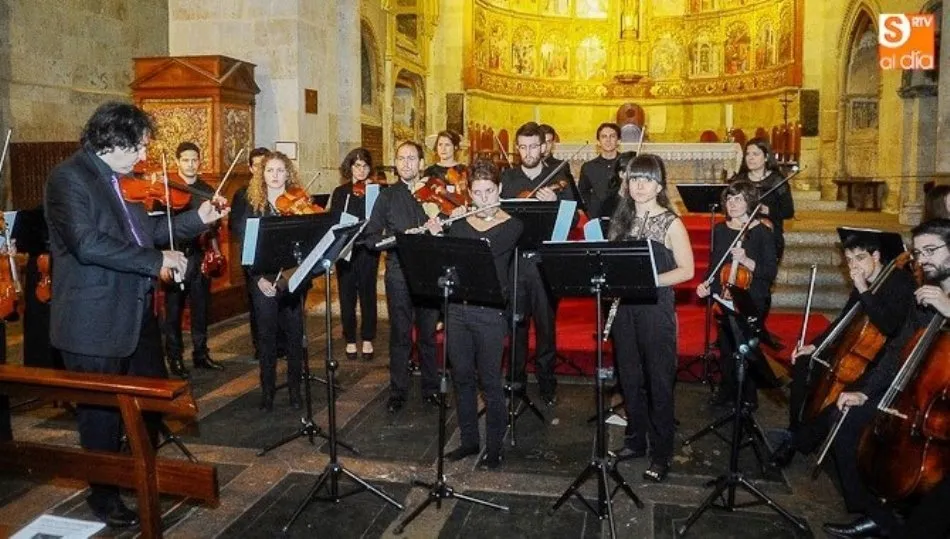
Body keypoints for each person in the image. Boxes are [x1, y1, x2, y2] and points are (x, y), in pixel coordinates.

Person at [44, 101, 228, 528]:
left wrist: (195, 221)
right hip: (92, 322)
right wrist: (155, 261)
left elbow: (144, 234)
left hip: (135, 315)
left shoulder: (122, 180)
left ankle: (136, 469)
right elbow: (87, 244)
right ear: (115, 141)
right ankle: (104, 497)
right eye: (140, 146)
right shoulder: (69, 179)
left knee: (153, 402)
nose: (144, 156)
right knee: (101, 418)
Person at [817, 219, 950, 538]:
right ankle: (878, 516)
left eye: (931, 250)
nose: (924, 259)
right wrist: (865, 391)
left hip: (940, 409)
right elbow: (897, 351)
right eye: (919, 253)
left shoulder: (938, 298)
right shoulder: (924, 295)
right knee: (845, 422)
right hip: (918, 397)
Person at [769, 234, 915, 468]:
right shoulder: (864, 281)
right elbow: (843, 320)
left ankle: (798, 442)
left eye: (859, 258)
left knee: (844, 392)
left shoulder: (901, 283)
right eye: (848, 260)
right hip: (855, 349)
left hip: (883, 360)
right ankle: (794, 428)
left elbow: (890, 326)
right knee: (804, 362)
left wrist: (863, 290)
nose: (854, 266)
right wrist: (815, 345)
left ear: (876, 256)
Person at [606, 153, 694, 482]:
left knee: (658, 382)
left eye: (647, 179)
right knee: (629, 379)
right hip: (626, 309)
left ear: (659, 185)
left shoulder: (671, 222)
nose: (639, 185)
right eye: (634, 179)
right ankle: (634, 441)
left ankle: (661, 453)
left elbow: (687, 271)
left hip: (657, 309)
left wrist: (646, 278)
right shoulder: (621, 220)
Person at [435, 159, 522, 470]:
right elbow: (447, 261)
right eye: (477, 193)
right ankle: (470, 440)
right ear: (468, 193)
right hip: (458, 309)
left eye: (489, 192)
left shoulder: (512, 226)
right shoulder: (458, 223)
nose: (483, 199)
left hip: (490, 313)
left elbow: (485, 248)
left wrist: (458, 224)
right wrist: (438, 231)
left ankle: (494, 447)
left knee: (490, 382)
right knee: (461, 378)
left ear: (499, 191)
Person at [364, 141, 442, 414]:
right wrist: (396, 239)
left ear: (422, 163)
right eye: (401, 158)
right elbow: (371, 238)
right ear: (395, 163)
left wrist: (439, 229)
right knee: (399, 335)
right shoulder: (386, 197)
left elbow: (452, 233)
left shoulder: (434, 194)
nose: (407, 163)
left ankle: (431, 388)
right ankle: (398, 391)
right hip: (398, 272)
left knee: (429, 336)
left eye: (412, 158)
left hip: (429, 272)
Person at [500, 121, 575, 406]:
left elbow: (569, 223)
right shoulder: (507, 178)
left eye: (534, 146)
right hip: (516, 260)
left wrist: (556, 201)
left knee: (545, 326)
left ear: (543, 147)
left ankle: (547, 382)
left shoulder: (559, 178)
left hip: (545, 262)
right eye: (523, 146)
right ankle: (515, 381)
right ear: (517, 148)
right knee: (516, 324)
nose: (528, 152)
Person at [235, 151, 311, 412]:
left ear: (287, 173)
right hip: (262, 278)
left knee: (294, 337)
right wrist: (257, 279)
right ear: (262, 175)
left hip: (290, 277)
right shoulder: (252, 205)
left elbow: (306, 244)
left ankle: (295, 391)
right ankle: (267, 391)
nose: (276, 176)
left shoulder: (298, 202)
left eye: (280, 170)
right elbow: (246, 246)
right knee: (266, 339)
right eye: (270, 171)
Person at [697, 181, 778, 408]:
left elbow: (769, 272)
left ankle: (748, 396)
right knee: (726, 348)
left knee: (747, 349)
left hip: (752, 299)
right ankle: (727, 391)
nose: (732, 204)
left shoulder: (762, 232)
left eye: (739, 199)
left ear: (749, 202)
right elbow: (715, 265)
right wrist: (707, 286)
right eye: (729, 199)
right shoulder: (721, 230)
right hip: (725, 297)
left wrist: (746, 261)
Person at [162, 142, 223, 379]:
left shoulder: (206, 190)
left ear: (200, 161)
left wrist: (215, 242)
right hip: (175, 254)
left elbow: (213, 228)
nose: (190, 164)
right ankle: (174, 357)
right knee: (174, 310)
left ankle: (201, 353)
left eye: (194, 160)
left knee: (201, 308)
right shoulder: (166, 190)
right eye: (186, 160)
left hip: (199, 254)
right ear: (178, 162)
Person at [329, 148, 381, 361]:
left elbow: (378, 220)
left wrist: (373, 195)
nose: (361, 170)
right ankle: (350, 338)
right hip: (346, 248)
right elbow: (334, 221)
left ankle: (368, 338)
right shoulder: (341, 192)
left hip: (367, 248)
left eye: (365, 166)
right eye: (357, 165)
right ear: (350, 167)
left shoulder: (375, 191)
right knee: (346, 295)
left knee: (368, 294)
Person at [229, 146, 270, 361]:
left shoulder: (276, 190)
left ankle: (279, 342)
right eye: (257, 165)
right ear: (251, 168)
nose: (262, 169)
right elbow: (235, 226)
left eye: (266, 165)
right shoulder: (241, 194)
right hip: (252, 254)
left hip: (274, 254)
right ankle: (260, 345)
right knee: (257, 303)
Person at [729, 137, 794, 260]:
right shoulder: (739, 180)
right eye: (747, 154)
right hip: (741, 232)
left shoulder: (777, 181)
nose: (750, 158)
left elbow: (788, 211)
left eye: (755, 154)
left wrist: (767, 210)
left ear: (766, 157)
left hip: (769, 234)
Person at [578, 122, 621, 219]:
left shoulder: (628, 164)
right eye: (604, 136)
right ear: (598, 141)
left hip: (622, 217)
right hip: (596, 217)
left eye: (612, 136)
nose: (608, 140)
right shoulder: (588, 167)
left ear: (618, 141)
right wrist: (591, 210)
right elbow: (582, 193)